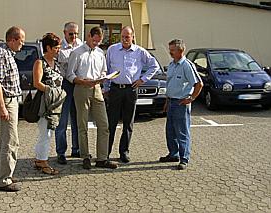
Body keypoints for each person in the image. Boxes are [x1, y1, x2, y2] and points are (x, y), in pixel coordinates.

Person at [105, 26, 159, 163]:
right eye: (122, 36)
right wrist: (106, 88)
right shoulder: (112, 50)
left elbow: (154, 65)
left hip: (131, 90)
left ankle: (124, 152)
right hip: (115, 89)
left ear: (132, 37)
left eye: (127, 37)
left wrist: (143, 79)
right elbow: (106, 69)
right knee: (111, 123)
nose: (124, 39)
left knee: (128, 123)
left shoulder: (139, 51)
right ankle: (105, 153)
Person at [66, 26, 118, 170]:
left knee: (104, 124)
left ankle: (102, 158)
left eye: (98, 42)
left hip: (97, 89)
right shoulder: (76, 53)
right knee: (82, 125)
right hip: (81, 88)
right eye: (94, 41)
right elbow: (70, 74)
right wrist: (82, 81)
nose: (96, 44)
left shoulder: (100, 53)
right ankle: (85, 156)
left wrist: (103, 77)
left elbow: (104, 70)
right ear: (89, 36)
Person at [0, 26, 25, 192]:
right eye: (21, 40)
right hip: (7, 102)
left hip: (12, 101)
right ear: (12, 39)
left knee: (4, 140)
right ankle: (3, 180)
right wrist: (2, 107)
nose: (22, 44)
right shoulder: (1, 54)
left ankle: (3, 174)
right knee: (11, 141)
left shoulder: (8, 54)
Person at [159, 39, 203, 170]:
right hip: (172, 102)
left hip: (181, 103)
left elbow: (199, 84)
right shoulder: (172, 64)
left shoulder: (187, 65)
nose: (170, 52)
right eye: (170, 50)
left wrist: (191, 98)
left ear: (181, 51)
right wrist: (167, 102)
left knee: (182, 132)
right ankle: (173, 154)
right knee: (170, 131)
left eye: (172, 50)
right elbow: (170, 84)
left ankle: (184, 158)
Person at [33, 33, 66, 175]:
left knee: (49, 132)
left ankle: (40, 159)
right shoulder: (40, 63)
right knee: (45, 133)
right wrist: (51, 90)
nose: (59, 50)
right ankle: (43, 161)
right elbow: (37, 83)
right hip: (45, 103)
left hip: (56, 103)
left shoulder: (56, 63)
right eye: (56, 48)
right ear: (48, 47)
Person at [55, 22, 83, 165]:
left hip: (78, 84)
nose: (74, 36)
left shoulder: (80, 44)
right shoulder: (59, 47)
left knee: (78, 119)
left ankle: (76, 148)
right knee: (62, 121)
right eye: (71, 34)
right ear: (65, 33)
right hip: (65, 84)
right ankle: (61, 152)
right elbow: (62, 60)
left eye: (76, 33)